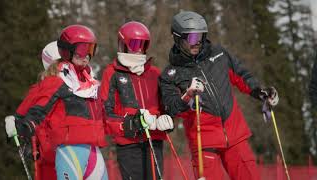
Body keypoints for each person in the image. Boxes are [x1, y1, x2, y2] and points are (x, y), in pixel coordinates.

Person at [159, 11, 279, 180]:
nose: (198, 42)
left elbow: (242, 76)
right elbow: (171, 107)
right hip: (204, 143)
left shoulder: (219, 54)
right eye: (193, 38)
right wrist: (187, 96)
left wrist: (260, 92)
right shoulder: (171, 75)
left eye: (201, 36)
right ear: (179, 39)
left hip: (235, 135)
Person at [5, 25, 108, 180]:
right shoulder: (57, 81)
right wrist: (24, 126)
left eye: (91, 49)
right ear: (67, 50)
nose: (86, 55)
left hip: (94, 152)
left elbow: (107, 114)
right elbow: (39, 110)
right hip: (70, 151)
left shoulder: (92, 85)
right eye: (81, 49)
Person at [100, 21, 174, 180]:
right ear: (123, 44)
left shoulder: (154, 73)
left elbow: (166, 106)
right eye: (134, 43)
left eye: (143, 44)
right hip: (128, 144)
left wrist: (166, 119)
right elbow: (106, 113)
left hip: (154, 140)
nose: (139, 48)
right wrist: (132, 123)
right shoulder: (112, 73)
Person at [5, 41, 60, 180]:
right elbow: (21, 116)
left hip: (57, 150)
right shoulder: (43, 87)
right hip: (49, 151)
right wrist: (19, 126)